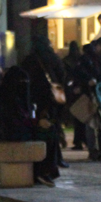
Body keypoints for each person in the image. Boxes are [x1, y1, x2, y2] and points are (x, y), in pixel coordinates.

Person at [20, 36, 67, 186]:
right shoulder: (53, 58)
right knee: (51, 129)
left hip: (35, 101)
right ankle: (52, 163)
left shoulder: (29, 60)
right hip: (51, 100)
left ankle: (43, 167)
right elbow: (62, 76)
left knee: (40, 131)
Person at [62, 41, 86, 150]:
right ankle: (83, 139)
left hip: (71, 90)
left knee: (75, 115)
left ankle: (78, 141)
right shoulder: (82, 60)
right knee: (82, 116)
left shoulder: (66, 61)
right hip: (81, 90)